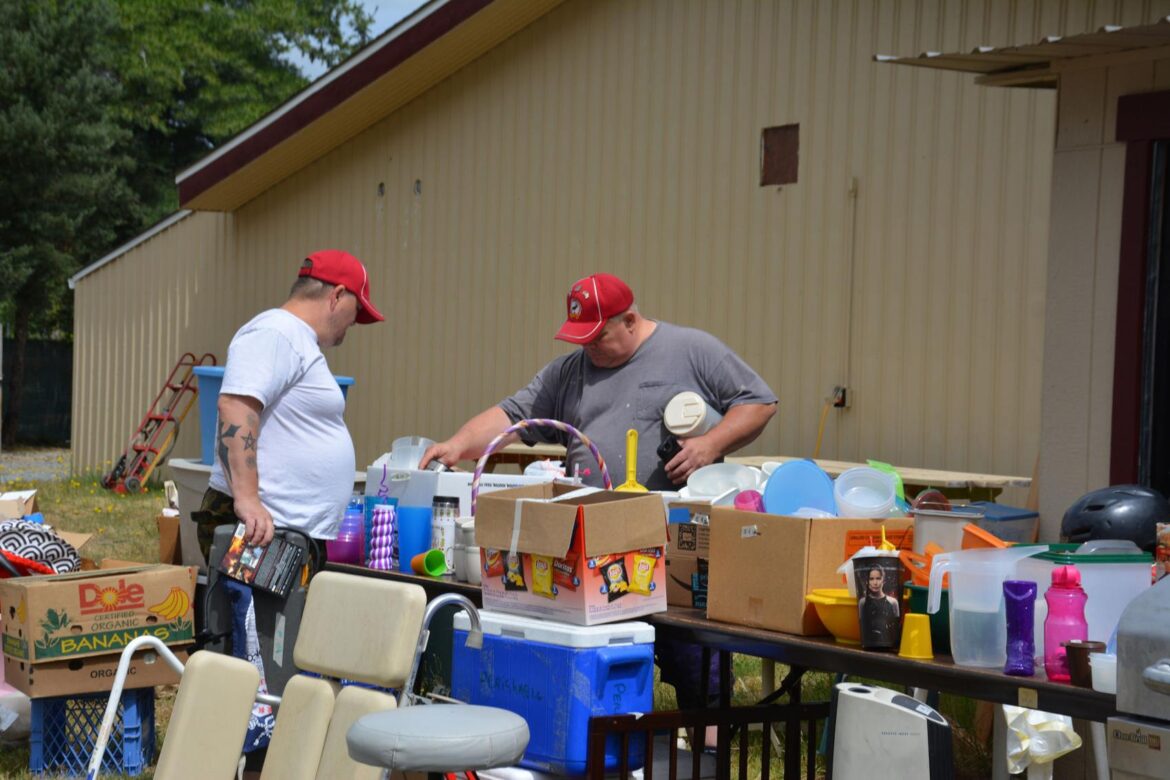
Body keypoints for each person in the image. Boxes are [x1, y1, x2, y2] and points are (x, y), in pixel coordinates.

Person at [421, 272, 777, 716]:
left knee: (696, 667)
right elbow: (512, 415)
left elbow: (759, 402)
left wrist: (711, 443)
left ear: (630, 320)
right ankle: (606, 749)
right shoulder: (569, 371)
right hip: (589, 554)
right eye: (580, 338)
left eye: (597, 337)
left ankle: (709, 749)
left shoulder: (690, 350)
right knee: (600, 672)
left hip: (673, 548)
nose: (587, 348)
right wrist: (458, 444)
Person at [194, 249, 384, 561]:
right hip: (259, 530)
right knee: (252, 612)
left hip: (282, 531)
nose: (354, 323)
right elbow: (235, 407)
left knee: (285, 612)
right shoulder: (276, 332)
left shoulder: (295, 339)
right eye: (356, 310)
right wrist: (247, 498)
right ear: (336, 295)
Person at [859, 565, 901, 647]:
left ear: (883, 580)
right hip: (868, 645)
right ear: (867, 581)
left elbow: (896, 628)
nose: (875, 583)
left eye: (878, 578)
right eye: (871, 579)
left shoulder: (893, 602)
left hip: (889, 647)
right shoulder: (862, 602)